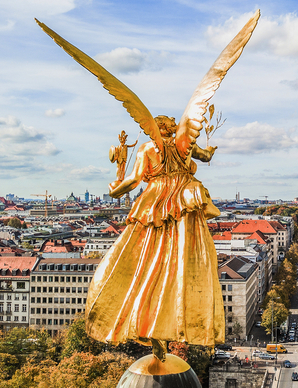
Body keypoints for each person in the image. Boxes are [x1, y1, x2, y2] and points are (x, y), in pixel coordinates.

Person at [85, 115, 222, 360]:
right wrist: (210, 148)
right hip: (183, 200)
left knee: (147, 262)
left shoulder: (148, 149)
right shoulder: (185, 145)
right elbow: (206, 156)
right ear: (174, 129)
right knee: (179, 262)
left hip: (156, 203)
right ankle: (173, 326)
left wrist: (114, 188)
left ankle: (151, 328)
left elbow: (133, 181)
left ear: (154, 130)